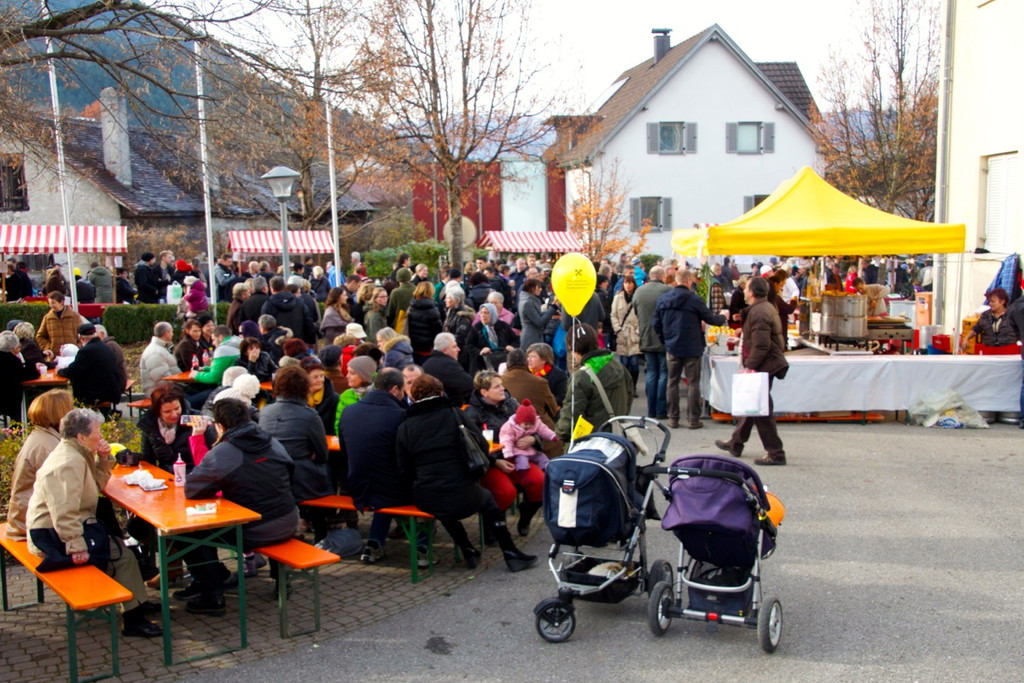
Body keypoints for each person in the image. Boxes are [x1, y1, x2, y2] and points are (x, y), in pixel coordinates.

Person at [26, 408, 162, 637]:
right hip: (51, 536)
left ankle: (135, 602)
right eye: (97, 433)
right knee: (123, 556)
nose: (101, 437)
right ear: (81, 436)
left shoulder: (75, 452)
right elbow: (64, 511)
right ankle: (133, 618)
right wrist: (76, 545)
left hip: (61, 528)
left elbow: (95, 487)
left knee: (119, 548)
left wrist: (102, 459)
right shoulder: (68, 463)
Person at [395, 374, 536, 572]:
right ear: (440, 392)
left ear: (415, 397)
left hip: (426, 494)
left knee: (443, 505)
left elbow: (404, 467)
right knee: (487, 500)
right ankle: (510, 552)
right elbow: (480, 445)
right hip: (462, 491)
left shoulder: (405, 426)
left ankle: (468, 549)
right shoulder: (454, 414)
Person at [180, 398, 299, 616]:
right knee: (265, 506)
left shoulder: (226, 451)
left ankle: (212, 594)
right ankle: (278, 579)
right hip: (289, 519)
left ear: (220, 426)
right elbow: (291, 475)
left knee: (190, 534)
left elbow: (192, 489)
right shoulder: (272, 441)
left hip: (254, 530)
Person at [338, 368, 419, 564]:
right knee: (419, 488)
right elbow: (410, 456)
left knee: (382, 479)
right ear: (394, 390)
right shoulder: (400, 415)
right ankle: (423, 548)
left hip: (356, 486)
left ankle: (375, 542)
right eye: (402, 390)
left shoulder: (349, 411)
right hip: (389, 490)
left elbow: (344, 452)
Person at [715, 276, 789, 466]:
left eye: (746, 288)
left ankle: (776, 453)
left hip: (764, 364)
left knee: (760, 409)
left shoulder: (760, 312)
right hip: (767, 362)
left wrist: (751, 366)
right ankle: (736, 443)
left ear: (753, 292)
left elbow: (761, 345)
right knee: (755, 404)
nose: (744, 291)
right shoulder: (762, 308)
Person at [260, 366, 331, 542]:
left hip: (270, 475)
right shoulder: (309, 415)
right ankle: (320, 532)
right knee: (323, 475)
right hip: (300, 478)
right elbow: (323, 454)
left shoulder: (265, 412)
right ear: (303, 387)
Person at [653, 268, 726, 430]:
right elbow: (711, 319)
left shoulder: (663, 299)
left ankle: (673, 418)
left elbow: (656, 323)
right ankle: (693, 418)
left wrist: (665, 339)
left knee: (672, 382)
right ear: (688, 281)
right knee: (693, 383)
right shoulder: (695, 300)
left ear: (676, 281)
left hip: (672, 345)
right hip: (692, 346)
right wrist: (723, 317)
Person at [6, 390, 74, 541]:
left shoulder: (42, 436)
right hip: (33, 523)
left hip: (25, 514)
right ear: (60, 414)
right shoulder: (49, 446)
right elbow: (66, 490)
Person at [554, 323, 633, 443]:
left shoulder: (582, 377)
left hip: (591, 443)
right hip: (617, 438)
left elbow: (571, 417)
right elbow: (629, 396)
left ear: (571, 347)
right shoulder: (618, 365)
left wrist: (559, 433)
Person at [139, 382, 216, 471]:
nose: (174, 415)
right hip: (166, 476)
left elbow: (213, 458)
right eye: (167, 412)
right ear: (158, 412)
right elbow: (147, 460)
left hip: (192, 473)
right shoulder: (150, 425)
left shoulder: (198, 420)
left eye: (177, 408)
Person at [500, 349, 561, 461]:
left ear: (508, 365)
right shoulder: (540, 382)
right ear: (526, 364)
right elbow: (553, 409)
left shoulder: (499, 383)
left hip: (508, 440)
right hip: (541, 439)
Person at [633, 265, 671, 419]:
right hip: (663, 338)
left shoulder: (639, 291)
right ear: (662, 276)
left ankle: (651, 409)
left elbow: (636, 311)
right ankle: (661, 410)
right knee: (663, 373)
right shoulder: (668, 291)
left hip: (646, 336)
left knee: (651, 372)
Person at [58, 323, 121, 410]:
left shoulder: (87, 351)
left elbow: (72, 372)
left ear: (81, 338)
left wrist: (60, 371)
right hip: (110, 391)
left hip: (96, 395)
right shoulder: (106, 347)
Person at [499, 399, 558, 473]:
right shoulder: (509, 427)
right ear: (518, 421)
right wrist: (507, 452)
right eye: (526, 424)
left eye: (531, 424)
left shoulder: (536, 423)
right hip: (518, 451)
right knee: (522, 461)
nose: (529, 426)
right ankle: (523, 472)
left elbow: (544, 430)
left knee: (543, 457)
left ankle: (546, 470)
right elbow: (506, 439)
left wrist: (552, 436)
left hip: (531, 450)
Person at [421, 332, 473, 405]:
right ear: (445, 350)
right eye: (454, 347)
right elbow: (469, 386)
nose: (458, 349)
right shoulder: (448, 365)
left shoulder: (427, 364)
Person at [0, 330, 40, 422]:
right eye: (18, 347)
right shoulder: (12, 361)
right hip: (9, 401)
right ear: (13, 348)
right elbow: (29, 375)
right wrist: (32, 365)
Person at [465, 303, 517, 374]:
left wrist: (512, 347)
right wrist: (480, 351)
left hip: (502, 362)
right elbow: (469, 345)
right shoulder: (476, 328)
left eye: (486, 313)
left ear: (493, 314)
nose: (483, 315)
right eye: (482, 313)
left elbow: (516, 340)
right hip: (482, 365)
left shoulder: (503, 326)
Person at [610, 273, 641, 392]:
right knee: (623, 363)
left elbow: (642, 315)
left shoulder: (637, 297)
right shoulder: (618, 297)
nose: (628, 285)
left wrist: (638, 330)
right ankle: (624, 387)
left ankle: (633, 386)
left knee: (634, 364)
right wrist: (617, 329)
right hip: (622, 333)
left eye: (630, 283)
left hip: (634, 334)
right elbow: (613, 314)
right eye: (626, 283)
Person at [262, 276, 314, 342]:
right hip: (298, 341)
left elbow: (265, 326)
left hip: (277, 343)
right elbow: (308, 321)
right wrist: (311, 340)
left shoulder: (268, 305)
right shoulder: (299, 302)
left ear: (271, 288)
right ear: (284, 286)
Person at [333, 355, 375, 433]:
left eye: (352, 373)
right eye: (347, 372)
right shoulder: (346, 395)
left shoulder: (378, 394)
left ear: (364, 377)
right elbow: (339, 424)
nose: (347, 376)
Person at [301, 355, 340, 437]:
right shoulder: (296, 398)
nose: (320, 380)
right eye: (315, 377)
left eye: (322, 376)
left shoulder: (334, 398)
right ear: (304, 378)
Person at [35, 291, 82, 357]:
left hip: (73, 355)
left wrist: (77, 346)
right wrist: (48, 348)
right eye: (50, 303)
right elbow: (39, 336)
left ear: (61, 302)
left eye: (53, 303)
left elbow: (83, 333)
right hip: (55, 357)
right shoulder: (47, 318)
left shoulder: (75, 316)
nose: (51, 306)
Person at [407, 281, 443, 364]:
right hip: (427, 347)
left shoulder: (412, 307)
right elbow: (438, 330)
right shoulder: (432, 309)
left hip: (413, 345)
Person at [442, 286, 476, 371]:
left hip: (459, 354)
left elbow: (460, 337)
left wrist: (449, 346)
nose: (445, 300)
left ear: (456, 300)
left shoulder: (462, 316)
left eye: (448, 298)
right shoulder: (450, 311)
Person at [140, 322, 179, 395]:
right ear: (167, 333)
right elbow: (163, 379)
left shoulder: (163, 348)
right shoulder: (155, 352)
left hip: (170, 390)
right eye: (172, 331)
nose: (173, 334)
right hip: (161, 394)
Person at [518, 278, 557, 350]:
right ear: (532, 288)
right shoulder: (527, 303)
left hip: (535, 334)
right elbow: (539, 321)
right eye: (538, 287)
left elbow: (539, 314)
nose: (540, 289)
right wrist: (552, 309)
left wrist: (551, 310)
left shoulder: (531, 300)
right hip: (531, 337)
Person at [94, 325, 128, 396]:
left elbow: (108, 367)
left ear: (102, 334)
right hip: (117, 379)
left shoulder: (109, 346)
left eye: (95, 334)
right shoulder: (110, 344)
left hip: (117, 382)